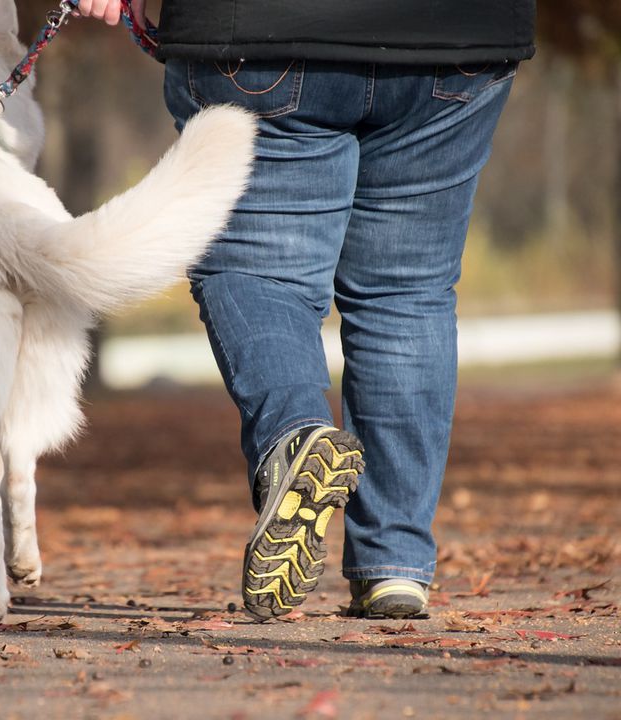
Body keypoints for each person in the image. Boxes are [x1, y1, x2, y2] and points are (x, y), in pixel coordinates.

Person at [78, 0, 536, 620]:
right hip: (455, 39)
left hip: (261, 34)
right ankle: (394, 565)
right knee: (407, 293)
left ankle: (295, 436)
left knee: (257, 269)